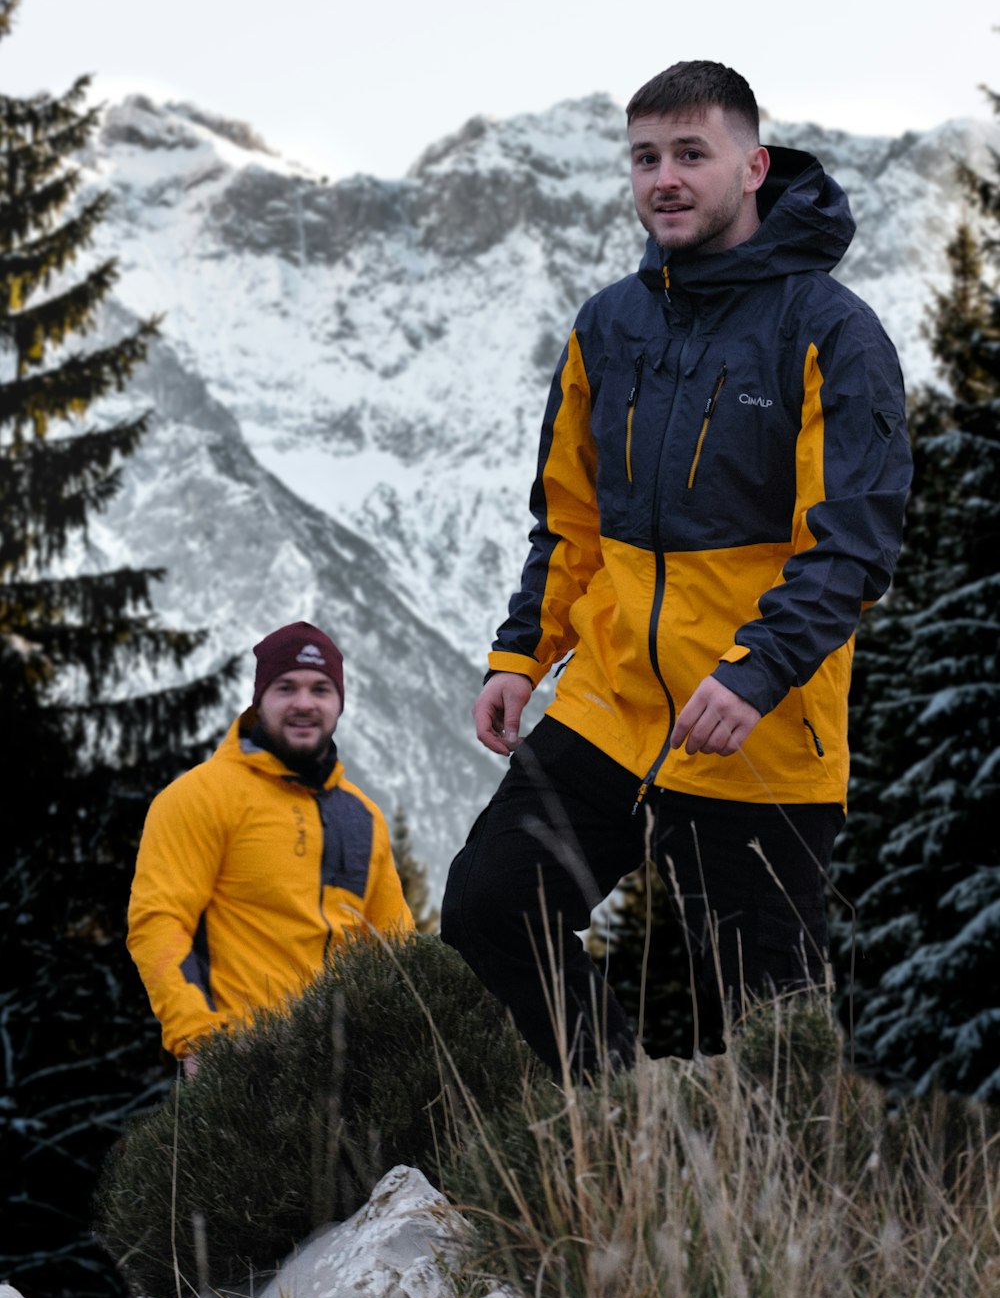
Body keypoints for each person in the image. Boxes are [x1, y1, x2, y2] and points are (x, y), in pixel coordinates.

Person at [440, 60, 912, 1075]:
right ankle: (618, 1131)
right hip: (609, 709)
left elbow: (853, 541)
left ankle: (783, 1221)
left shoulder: (829, 331)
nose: (664, 177)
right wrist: (520, 656)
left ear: (753, 165)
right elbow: (567, 519)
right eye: (645, 157)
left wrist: (755, 673)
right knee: (490, 908)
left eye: (690, 154)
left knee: (770, 1026)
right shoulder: (607, 326)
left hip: (752, 728)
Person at [128, 621, 414, 1072]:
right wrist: (197, 1039)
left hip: (348, 1071)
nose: (304, 703)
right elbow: (158, 922)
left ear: (339, 703)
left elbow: (394, 952)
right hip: (236, 1064)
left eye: (321, 689)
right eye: (286, 688)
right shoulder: (199, 797)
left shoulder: (363, 817)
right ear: (259, 701)